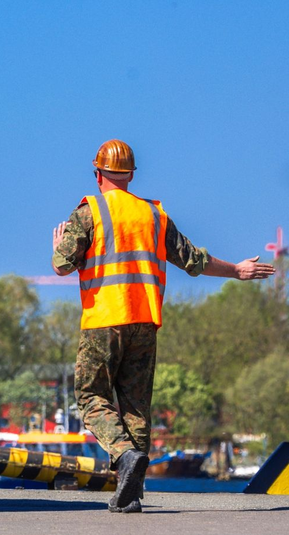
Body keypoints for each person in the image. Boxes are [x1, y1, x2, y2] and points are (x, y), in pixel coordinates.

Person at [51, 139, 275, 513]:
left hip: (104, 321)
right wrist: (237, 270)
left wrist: (58, 244)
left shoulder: (88, 212)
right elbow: (193, 260)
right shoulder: (155, 216)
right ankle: (131, 494)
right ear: (132, 175)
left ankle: (123, 456)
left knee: (90, 398)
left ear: (98, 174)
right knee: (136, 407)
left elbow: (62, 265)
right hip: (146, 320)